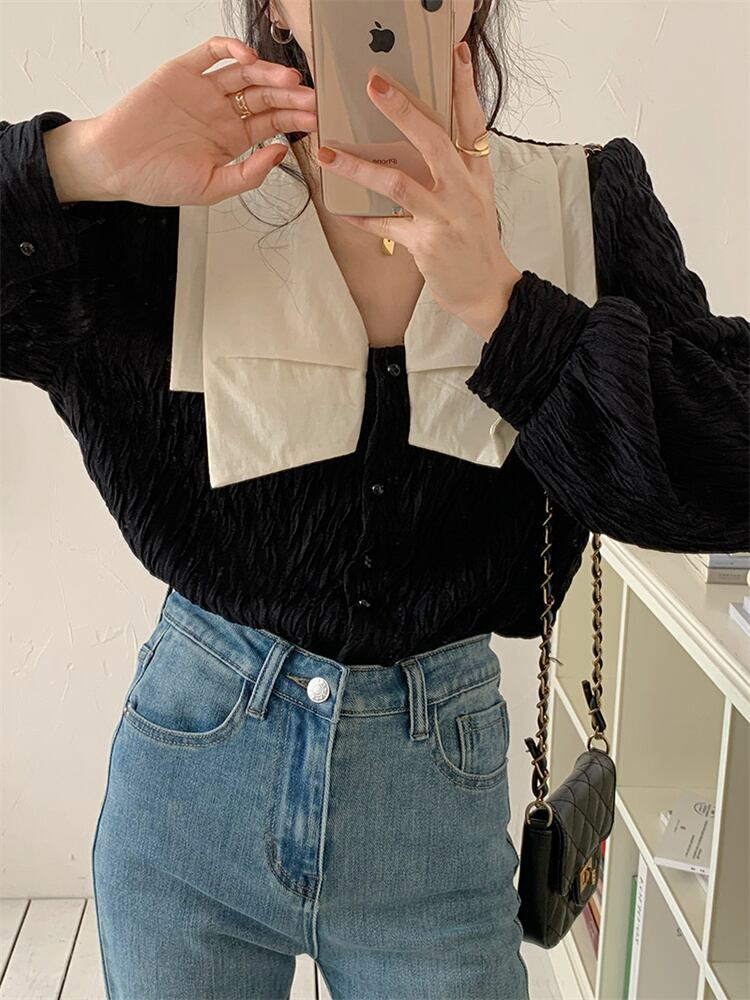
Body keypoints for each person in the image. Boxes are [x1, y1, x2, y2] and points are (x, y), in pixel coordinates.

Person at [1, 0, 748, 995]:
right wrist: (78, 163)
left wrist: (505, 304)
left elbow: (729, 467)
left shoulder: (583, 199)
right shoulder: (161, 198)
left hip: (436, 805)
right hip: (190, 786)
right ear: (277, 6)